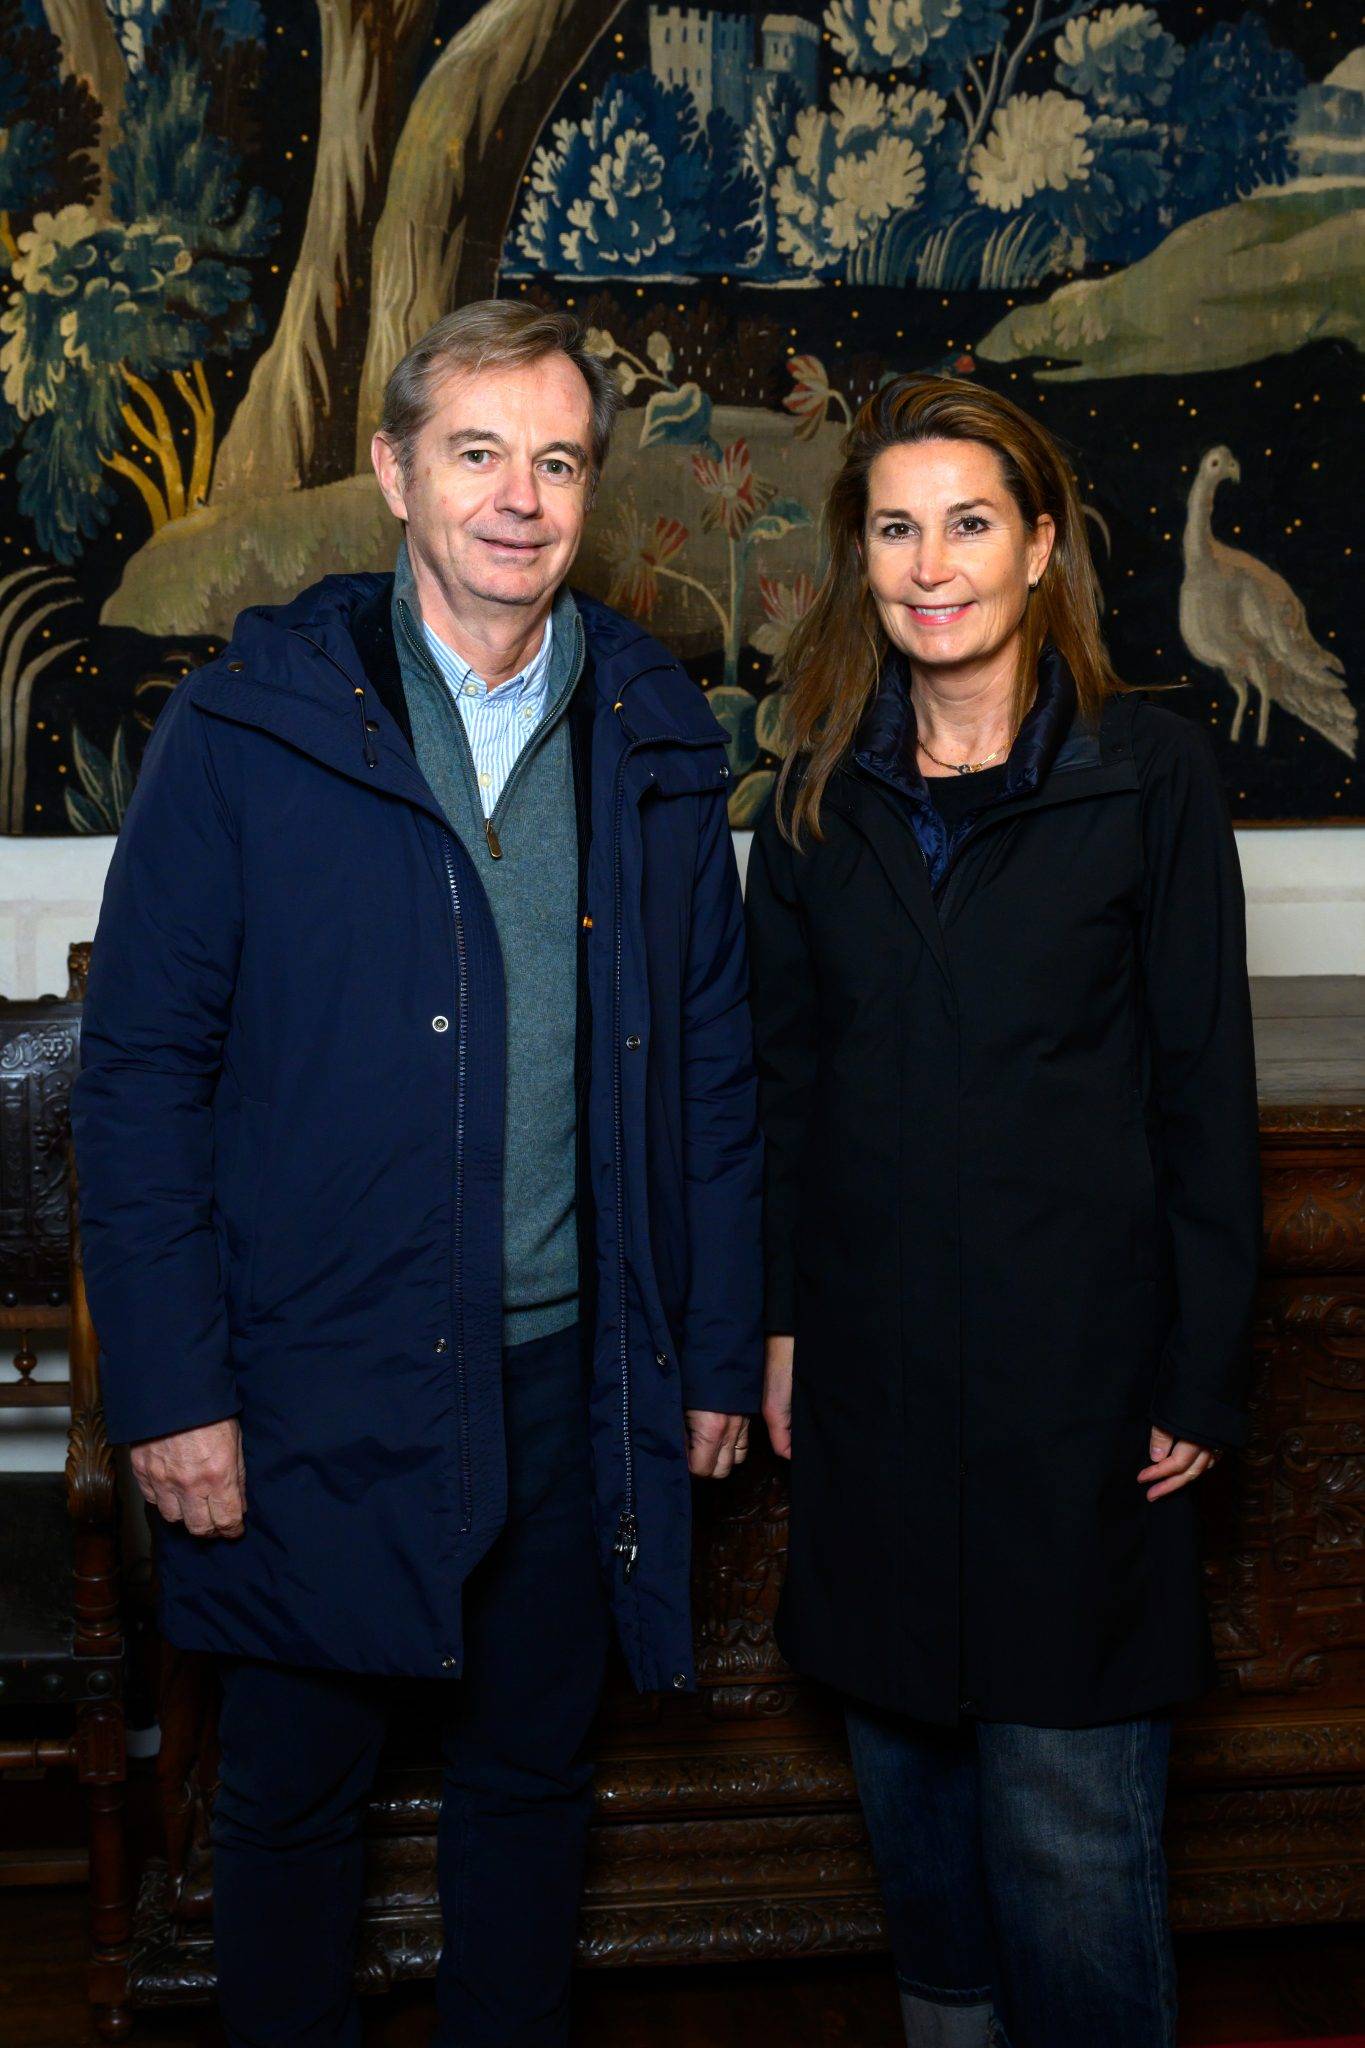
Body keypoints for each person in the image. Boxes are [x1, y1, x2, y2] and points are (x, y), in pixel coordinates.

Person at [72, 300, 763, 2048]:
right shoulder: (244, 730)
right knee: (290, 1799)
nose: (517, 499)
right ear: (393, 471)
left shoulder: (657, 728)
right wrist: (172, 1389)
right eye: (477, 453)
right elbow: (143, 1076)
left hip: (570, 1381)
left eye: (555, 460)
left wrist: (704, 1347)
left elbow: (707, 1068)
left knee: (530, 1786)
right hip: (314, 1382)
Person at [745, 373, 1261, 2048]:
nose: (930, 562)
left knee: (1064, 1838)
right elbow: (781, 1092)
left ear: (1040, 549)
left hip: (1079, 1395)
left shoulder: (1150, 773)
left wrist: (1197, 1368)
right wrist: (775, 1323)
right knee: (919, 1826)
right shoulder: (813, 793)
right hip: (877, 1395)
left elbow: (1199, 1084)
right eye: (895, 528)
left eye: (969, 523)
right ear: (860, 559)